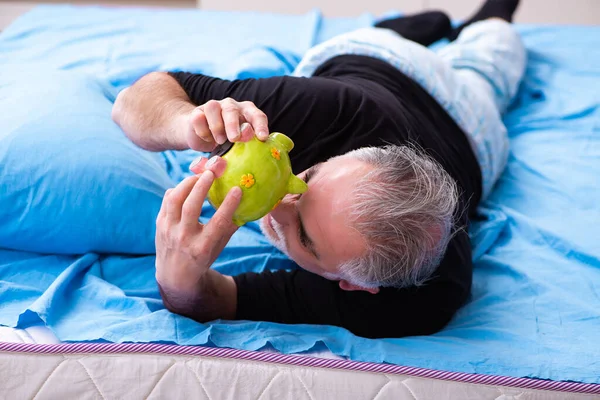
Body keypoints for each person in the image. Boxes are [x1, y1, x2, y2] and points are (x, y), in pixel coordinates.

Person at [112, 0, 525, 338]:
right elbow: (133, 100)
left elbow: (217, 299)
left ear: (356, 285)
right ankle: (413, 26)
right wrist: (190, 124)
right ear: (348, 155)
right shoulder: (322, 110)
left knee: (492, 53)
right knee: (390, 36)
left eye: (304, 237)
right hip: (379, 64)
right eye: (308, 178)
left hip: (472, 133)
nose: (278, 205)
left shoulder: (418, 303)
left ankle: (484, 18)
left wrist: (177, 281)